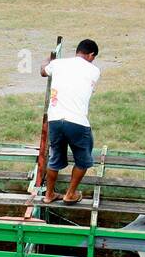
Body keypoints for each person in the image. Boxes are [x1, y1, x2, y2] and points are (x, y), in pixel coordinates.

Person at [39, 38, 100, 204]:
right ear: (91, 55)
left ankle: (49, 195)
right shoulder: (94, 71)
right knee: (83, 159)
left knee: (55, 158)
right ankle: (70, 194)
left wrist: (49, 59)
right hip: (78, 121)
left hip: (55, 120)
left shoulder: (58, 64)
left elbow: (43, 71)